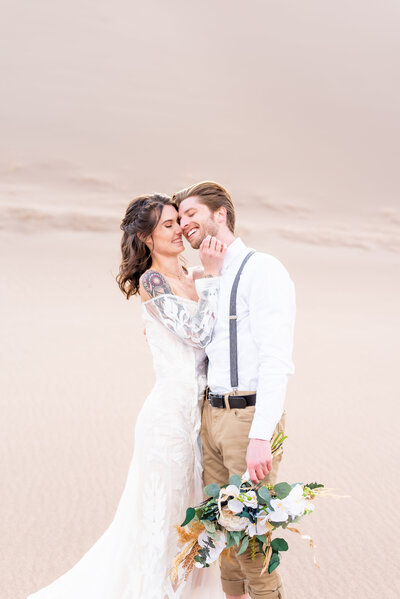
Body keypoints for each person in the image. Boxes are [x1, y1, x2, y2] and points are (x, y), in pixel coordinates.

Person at [26, 194, 226, 599]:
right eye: (167, 225)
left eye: (177, 222)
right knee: (163, 521)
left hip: (198, 416)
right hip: (168, 421)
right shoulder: (154, 281)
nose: (177, 231)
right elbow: (199, 335)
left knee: (191, 519)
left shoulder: (189, 276)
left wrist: (204, 282)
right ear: (147, 238)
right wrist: (215, 278)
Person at [173, 182, 296, 599]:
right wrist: (209, 278)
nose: (185, 222)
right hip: (212, 416)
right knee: (223, 530)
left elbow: (276, 359)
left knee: (253, 537)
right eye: (180, 216)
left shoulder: (263, 268)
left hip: (248, 417)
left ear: (220, 214)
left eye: (192, 213)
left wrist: (261, 435)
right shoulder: (206, 275)